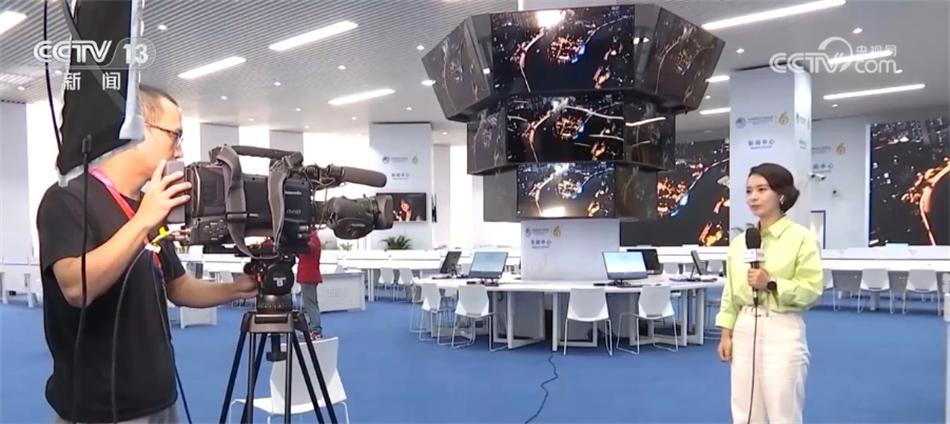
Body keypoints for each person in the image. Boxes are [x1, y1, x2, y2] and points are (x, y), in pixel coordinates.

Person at [37, 85, 258, 424]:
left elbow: (178, 286)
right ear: (136, 128)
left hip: (159, 398)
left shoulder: (149, 204)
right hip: (101, 408)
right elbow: (77, 287)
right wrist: (143, 220)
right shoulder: (67, 198)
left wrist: (235, 289)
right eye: (175, 135)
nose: (179, 150)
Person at [714, 162, 823, 424]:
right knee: (745, 412)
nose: (753, 197)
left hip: (781, 327)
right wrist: (726, 334)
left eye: (762, 189)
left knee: (783, 411)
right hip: (744, 328)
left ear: (781, 195)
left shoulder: (801, 238)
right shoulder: (740, 243)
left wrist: (771, 283)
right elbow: (731, 292)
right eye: (749, 191)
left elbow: (811, 290)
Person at [296, 230, 324, 340]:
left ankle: (315, 329)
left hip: (309, 275)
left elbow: (309, 248)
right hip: (308, 275)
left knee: (310, 304)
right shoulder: (312, 239)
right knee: (311, 303)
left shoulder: (313, 239)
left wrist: (299, 243)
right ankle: (313, 327)